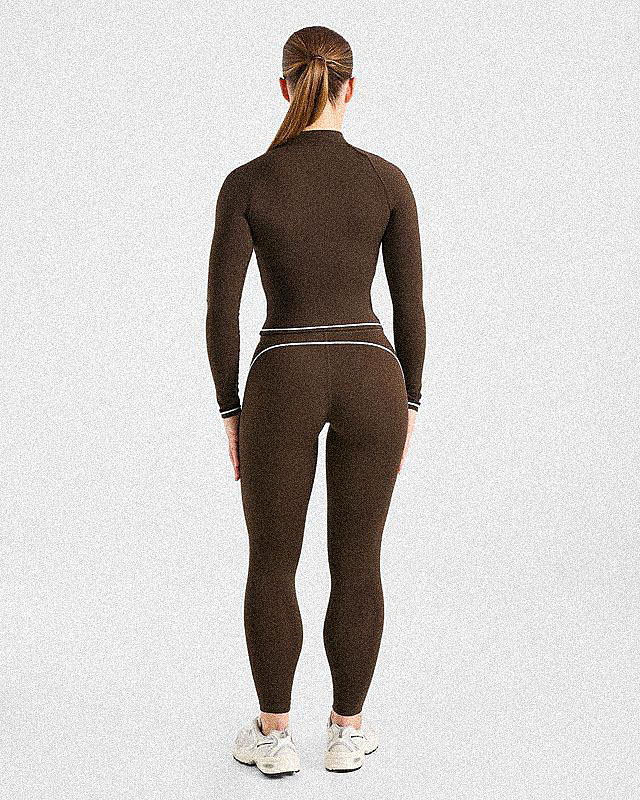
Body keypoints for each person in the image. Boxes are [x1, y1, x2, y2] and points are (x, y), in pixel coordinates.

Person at [206, 25, 426, 775]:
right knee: (358, 560)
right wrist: (411, 401)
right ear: (350, 88)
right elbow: (410, 307)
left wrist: (230, 407)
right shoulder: (387, 181)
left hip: (283, 376)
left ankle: (274, 736)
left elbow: (221, 312)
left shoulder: (248, 182)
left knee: (272, 560)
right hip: (372, 375)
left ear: (284, 87)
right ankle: (346, 731)